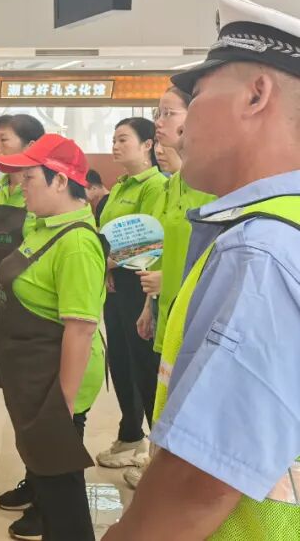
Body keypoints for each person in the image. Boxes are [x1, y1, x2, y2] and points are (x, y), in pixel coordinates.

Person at [105, 0, 300, 539]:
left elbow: (202, 481)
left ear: (256, 95)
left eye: (198, 96)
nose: (180, 126)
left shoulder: (261, 250)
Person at [0, 134, 107, 541]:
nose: (21, 187)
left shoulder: (76, 243)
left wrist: (62, 405)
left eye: (29, 179)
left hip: (56, 385)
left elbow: (81, 328)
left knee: (63, 497)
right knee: (50, 485)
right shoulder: (44, 228)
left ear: (60, 181)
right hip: (33, 377)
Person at [125, 88, 216, 490]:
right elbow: (162, 253)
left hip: (198, 319)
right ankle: (159, 473)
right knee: (163, 400)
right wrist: (150, 304)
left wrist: (173, 283)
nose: (158, 123)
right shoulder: (172, 185)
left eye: (168, 113)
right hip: (169, 316)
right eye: (157, 113)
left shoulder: (212, 185)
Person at [0, 114, 49, 541]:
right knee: (16, 399)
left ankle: (47, 496)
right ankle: (32, 477)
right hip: (2, 303)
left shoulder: (40, 193)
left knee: (36, 403)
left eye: (3, 140)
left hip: (30, 308)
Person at [96, 117, 167, 470]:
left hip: (141, 284)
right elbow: (105, 233)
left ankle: (157, 451)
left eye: (123, 139)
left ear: (147, 145)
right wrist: (107, 269)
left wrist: (106, 263)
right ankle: (130, 434)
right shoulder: (119, 187)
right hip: (114, 284)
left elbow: (149, 242)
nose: (115, 145)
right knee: (121, 361)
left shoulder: (155, 185)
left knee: (144, 365)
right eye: (113, 139)